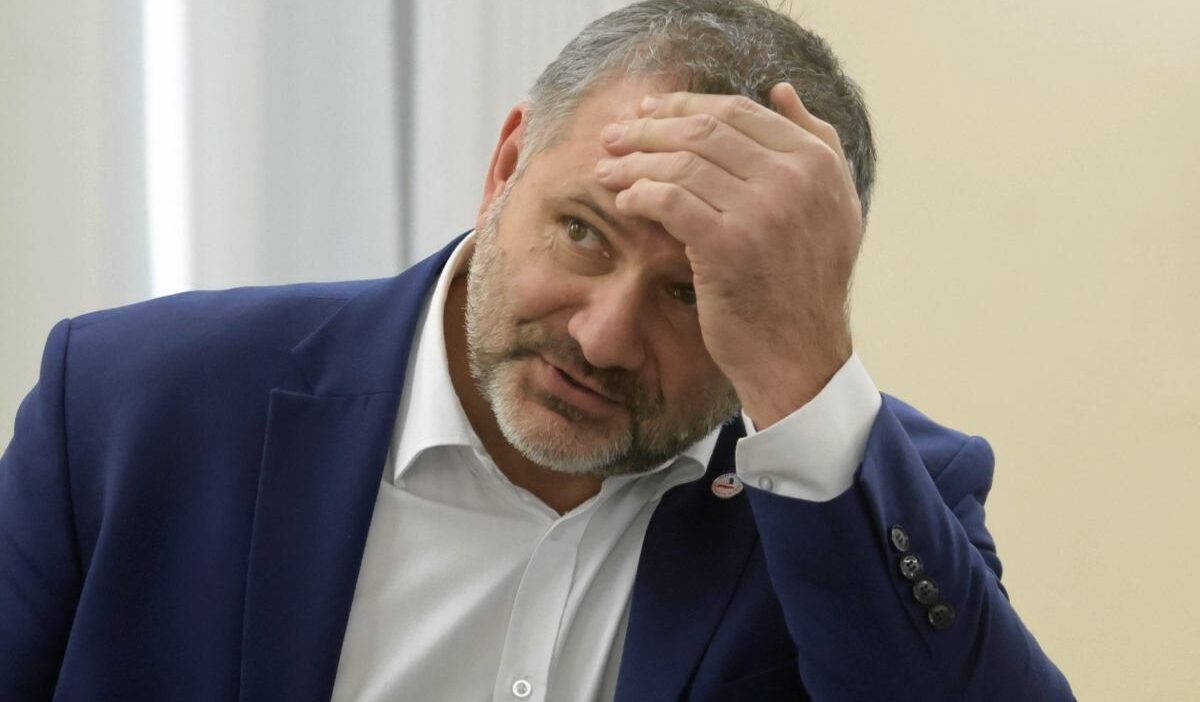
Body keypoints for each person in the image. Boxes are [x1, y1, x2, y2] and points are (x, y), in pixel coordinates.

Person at [0, 1, 1074, 700]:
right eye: (583, 233)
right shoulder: (135, 406)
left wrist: (805, 380)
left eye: (691, 294)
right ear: (508, 162)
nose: (603, 335)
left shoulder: (863, 499)